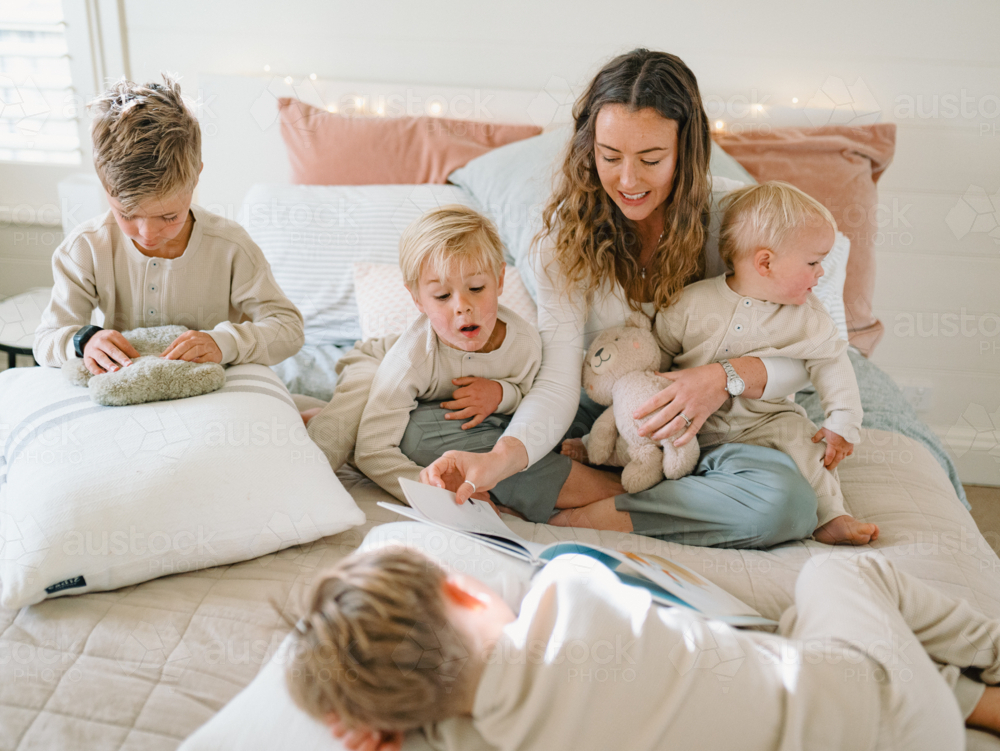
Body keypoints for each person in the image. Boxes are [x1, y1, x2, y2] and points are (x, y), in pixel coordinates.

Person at [418, 49, 820, 548]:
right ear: (590, 150)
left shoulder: (737, 221)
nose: (627, 181)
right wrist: (497, 461)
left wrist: (722, 379)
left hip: (713, 425)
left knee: (789, 504)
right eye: (610, 157)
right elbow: (559, 378)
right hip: (599, 419)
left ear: (687, 152)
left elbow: (810, 354)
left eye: (651, 160)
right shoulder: (562, 239)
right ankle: (652, 494)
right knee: (425, 430)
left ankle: (601, 510)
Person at [285, 545, 1000, 751]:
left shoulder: (483, 738)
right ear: (470, 593)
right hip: (890, 708)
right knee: (834, 574)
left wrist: (390, 727)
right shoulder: (569, 588)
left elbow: (445, 723)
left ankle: (971, 699)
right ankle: (985, 661)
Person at [570, 182, 878, 546]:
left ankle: (831, 514)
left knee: (807, 447)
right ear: (765, 262)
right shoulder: (691, 302)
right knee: (644, 423)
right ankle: (603, 459)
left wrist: (843, 422)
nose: (821, 273)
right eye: (813, 263)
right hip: (693, 423)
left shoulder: (808, 317)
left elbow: (832, 364)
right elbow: (661, 357)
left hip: (768, 422)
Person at [305, 206, 624, 517]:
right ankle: (301, 464)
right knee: (346, 422)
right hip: (376, 360)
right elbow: (374, 451)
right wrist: (423, 485)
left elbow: (528, 396)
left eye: (476, 288)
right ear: (417, 299)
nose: (463, 307)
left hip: (427, 396)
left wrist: (500, 393)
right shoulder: (410, 360)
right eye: (442, 296)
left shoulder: (524, 343)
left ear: (499, 280)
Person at [33, 74, 304, 373]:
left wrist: (223, 343)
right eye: (128, 215)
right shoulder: (86, 248)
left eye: (168, 216)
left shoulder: (230, 246)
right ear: (103, 184)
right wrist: (84, 341)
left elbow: (288, 328)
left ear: (196, 177)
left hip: (212, 393)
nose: (148, 234)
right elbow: (46, 340)